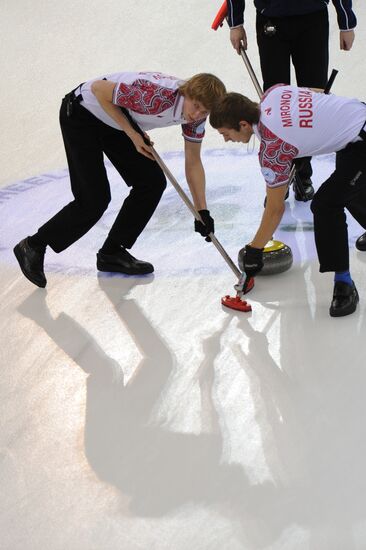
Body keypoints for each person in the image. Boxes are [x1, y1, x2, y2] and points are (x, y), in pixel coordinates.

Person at [14, 71, 226, 287]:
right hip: (82, 114)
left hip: (116, 120)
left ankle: (112, 252)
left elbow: (193, 161)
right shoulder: (158, 96)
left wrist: (202, 212)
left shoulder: (197, 118)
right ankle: (33, 245)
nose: (198, 114)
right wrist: (133, 135)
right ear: (186, 93)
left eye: (205, 111)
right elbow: (98, 89)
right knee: (93, 200)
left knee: (151, 182)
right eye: (196, 105)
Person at [209, 86, 366, 317]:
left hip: (360, 140)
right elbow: (317, 92)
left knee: (326, 204)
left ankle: (344, 284)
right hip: (357, 119)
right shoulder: (272, 94)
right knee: (347, 187)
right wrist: (304, 144)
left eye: (225, 133)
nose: (226, 139)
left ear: (243, 124)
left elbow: (274, 209)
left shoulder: (272, 150)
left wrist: (255, 250)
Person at [226, 0, 357, 202]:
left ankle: (302, 174)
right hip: (271, 17)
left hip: (312, 15)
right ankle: (280, 178)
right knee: (276, 104)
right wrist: (235, 23)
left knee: (312, 104)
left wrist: (346, 20)